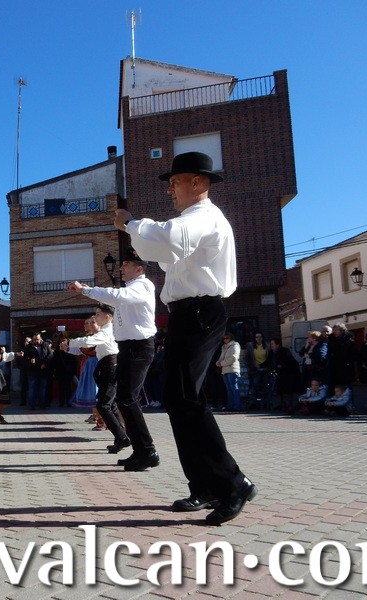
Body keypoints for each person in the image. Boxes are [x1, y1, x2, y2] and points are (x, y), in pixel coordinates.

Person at [117, 151, 256, 525]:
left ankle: (233, 483)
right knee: (179, 400)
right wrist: (136, 232)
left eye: (175, 182)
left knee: (185, 399)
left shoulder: (203, 217)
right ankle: (205, 485)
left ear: (198, 182)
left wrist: (130, 222)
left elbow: (165, 238)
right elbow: (162, 251)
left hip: (200, 312)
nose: (170, 190)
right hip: (188, 315)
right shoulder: (191, 222)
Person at [67, 249, 159, 472]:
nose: (120, 268)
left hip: (139, 346)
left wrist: (86, 290)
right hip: (128, 347)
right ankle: (140, 451)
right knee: (124, 399)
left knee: (127, 399)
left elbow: (117, 297)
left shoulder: (143, 285)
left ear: (139, 269)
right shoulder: (130, 289)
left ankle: (147, 451)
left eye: (126, 265)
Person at [62, 304, 130, 454]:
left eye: (98, 314)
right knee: (110, 405)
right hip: (107, 365)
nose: (95, 317)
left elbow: (87, 343)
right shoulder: (105, 331)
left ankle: (122, 436)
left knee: (104, 405)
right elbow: (87, 347)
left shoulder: (107, 331)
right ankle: (121, 436)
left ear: (107, 317)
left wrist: (70, 342)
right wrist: (70, 347)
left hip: (110, 366)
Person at [269, 338, 301, 412]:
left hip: (290, 373)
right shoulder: (272, 352)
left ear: (277, 345)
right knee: (281, 389)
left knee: (288, 390)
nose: (271, 345)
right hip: (282, 374)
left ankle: (289, 406)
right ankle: (283, 405)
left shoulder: (284, 351)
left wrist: (282, 365)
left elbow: (290, 361)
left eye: (272, 344)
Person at [24, 333, 52, 410]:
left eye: (37, 339)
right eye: (34, 339)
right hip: (32, 371)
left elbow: (50, 355)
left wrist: (44, 363)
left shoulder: (45, 345)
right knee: (32, 389)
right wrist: (30, 360)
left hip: (43, 370)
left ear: (41, 338)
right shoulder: (29, 346)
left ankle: (42, 404)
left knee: (42, 388)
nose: (36, 341)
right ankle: (32, 405)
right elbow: (25, 357)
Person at [245, 333, 272, 409]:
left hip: (265, 370)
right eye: (257, 337)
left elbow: (270, 357)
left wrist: (269, 366)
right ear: (254, 338)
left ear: (262, 338)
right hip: (255, 370)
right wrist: (251, 367)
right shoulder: (251, 347)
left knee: (266, 388)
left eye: (260, 337)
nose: (258, 338)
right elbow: (247, 359)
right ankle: (254, 403)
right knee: (254, 387)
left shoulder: (267, 346)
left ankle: (265, 404)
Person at [216, 333, 242, 411]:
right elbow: (221, 357)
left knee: (234, 388)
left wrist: (222, 363)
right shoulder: (223, 347)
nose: (225, 339)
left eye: (227, 338)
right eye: (224, 338)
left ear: (231, 337)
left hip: (232, 370)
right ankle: (230, 406)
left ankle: (237, 406)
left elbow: (234, 357)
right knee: (229, 390)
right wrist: (217, 363)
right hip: (225, 371)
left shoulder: (235, 345)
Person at [327, 323, 357, 389]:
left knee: (346, 385)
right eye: (334, 330)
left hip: (345, 366)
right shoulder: (331, 339)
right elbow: (329, 352)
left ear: (342, 330)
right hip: (334, 366)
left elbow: (353, 354)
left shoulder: (349, 339)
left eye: (336, 330)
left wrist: (348, 363)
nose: (335, 332)